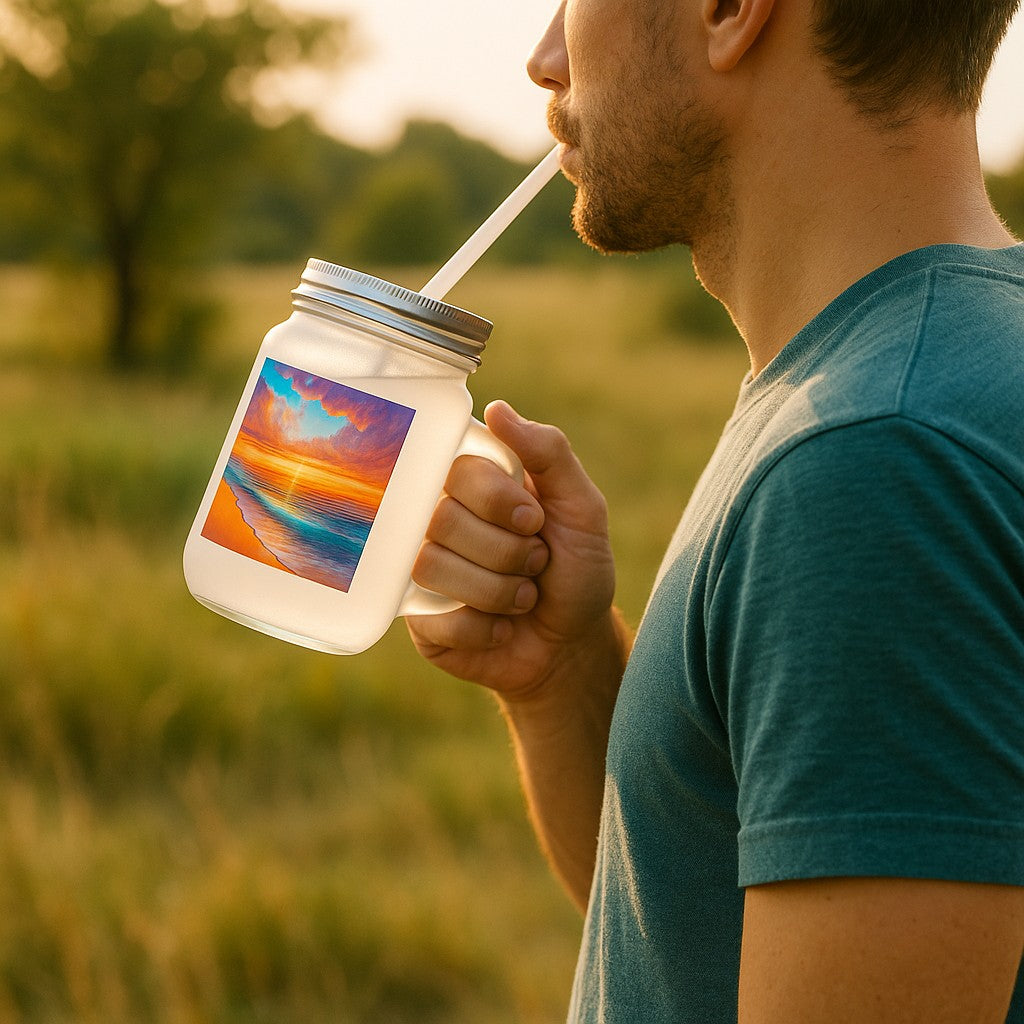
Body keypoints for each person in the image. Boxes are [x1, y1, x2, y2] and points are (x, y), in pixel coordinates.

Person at [407, 0, 1024, 1020]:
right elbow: (696, 927)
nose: (543, 57)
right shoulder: (916, 371)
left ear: (731, 10)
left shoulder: (876, 455)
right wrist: (562, 675)